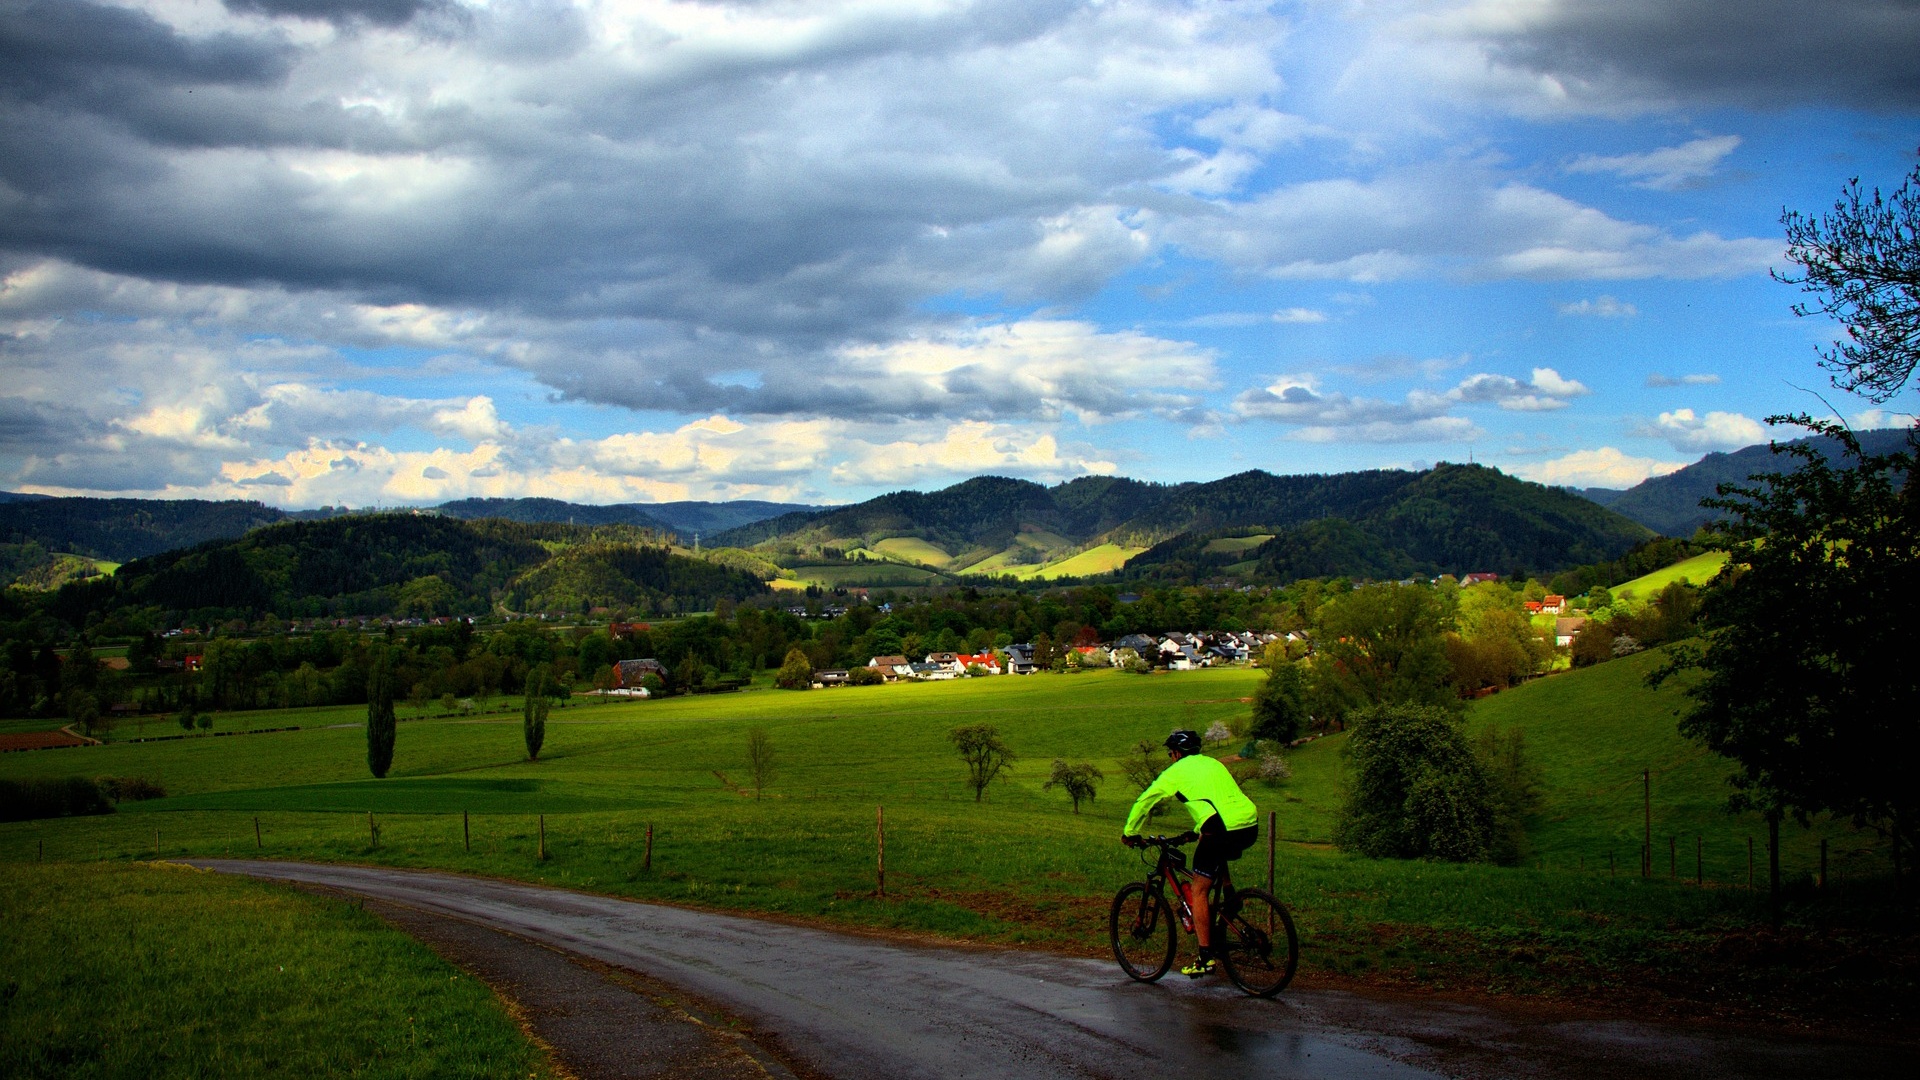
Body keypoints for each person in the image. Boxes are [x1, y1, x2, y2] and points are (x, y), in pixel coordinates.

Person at [1122, 729, 1260, 977]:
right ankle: (1230, 896)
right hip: (1249, 824)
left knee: (1199, 889)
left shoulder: (1175, 771)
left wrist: (1130, 832)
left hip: (1223, 829)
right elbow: (1216, 800)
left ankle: (1205, 957)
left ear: (1176, 753)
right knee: (1211, 843)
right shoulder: (1213, 763)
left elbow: (1146, 800)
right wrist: (1197, 830)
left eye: (1170, 753)